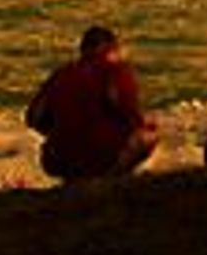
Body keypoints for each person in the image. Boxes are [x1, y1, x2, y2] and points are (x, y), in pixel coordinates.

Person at [25, 23, 159, 181]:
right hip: (101, 158)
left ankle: (75, 177)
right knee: (149, 135)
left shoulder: (61, 74)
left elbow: (32, 118)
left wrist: (61, 130)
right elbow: (128, 112)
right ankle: (111, 177)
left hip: (58, 160)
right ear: (111, 48)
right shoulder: (115, 71)